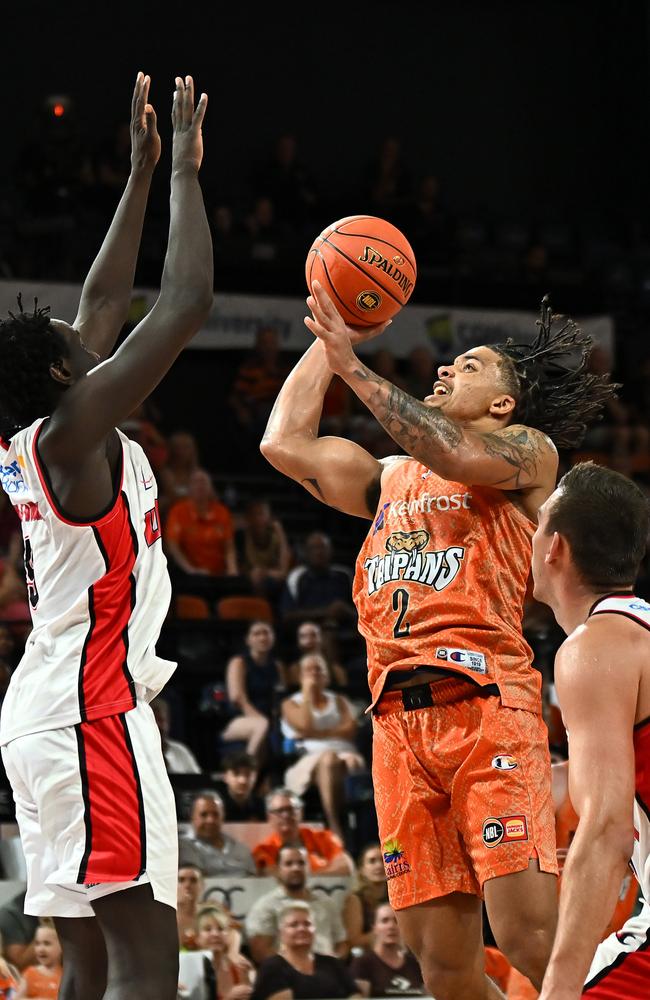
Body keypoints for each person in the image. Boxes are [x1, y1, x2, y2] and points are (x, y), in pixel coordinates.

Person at [261, 285, 616, 1000]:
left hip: (488, 708)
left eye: (472, 366)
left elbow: (452, 453)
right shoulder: (389, 477)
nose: (449, 370)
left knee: (529, 939)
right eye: (450, 362)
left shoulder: (528, 457)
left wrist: (355, 370)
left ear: (503, 405)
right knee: (446, 969)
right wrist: (334, 337)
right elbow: (284, 444)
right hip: (396, 725)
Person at [0, 72, 213, 1000]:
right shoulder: (73, 435)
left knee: (88, 967)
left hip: (53, 711)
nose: (89, 330)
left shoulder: (45, 432)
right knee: (144, 969)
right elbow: (185, 303)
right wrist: (187, 180)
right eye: (69, 337)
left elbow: (100, 300)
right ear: (61, 373)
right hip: (88, 715)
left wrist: (137, 171)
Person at [528, 462, 650, 1000]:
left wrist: (559, 988)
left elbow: (605, 830)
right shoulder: (636, 631)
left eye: (536, 526)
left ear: (555, 548)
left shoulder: (592, 649)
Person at [280, 653, 366, 839]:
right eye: (309, 670)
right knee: (329, 760)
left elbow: (350, 730)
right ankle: (337, 822)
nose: (314, 673)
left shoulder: (340, 700)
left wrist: (317, 734)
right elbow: (305, 725)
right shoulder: (290, 703)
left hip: (345, 752)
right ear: (300, 676)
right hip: (310, 756)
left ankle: (338, 823)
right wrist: (308, 696)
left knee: (340, 762)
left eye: (318, 668)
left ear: (326, 674)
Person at [245, 845, 348, 964]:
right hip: (287, 974)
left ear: (308, 868)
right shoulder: (265, 906)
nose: (296, 868)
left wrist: (333, 962)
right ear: (278, 870)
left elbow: (342, 944)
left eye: (301, 863)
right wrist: (298, 966)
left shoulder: (327, 903)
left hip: (328, 971)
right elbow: (260, 953)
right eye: (288, 864)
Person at [251, 901, 362, 1000]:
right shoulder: (272, 967)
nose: (302, 929)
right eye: (294, 925)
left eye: (307, 924)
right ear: (281, 932)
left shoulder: (333, 963)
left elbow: (355, 995)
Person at [220, 620, 287, 766]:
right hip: (240, 719)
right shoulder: (239, 662)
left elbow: (281, 697)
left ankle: (259, 782)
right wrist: (263, 720)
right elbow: (238, 698)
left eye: (266, 633)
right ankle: (245, 767)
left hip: (270, 721)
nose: (262, 637)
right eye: (257, 633)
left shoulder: (277, 666)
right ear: (248, 640)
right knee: (261, 725)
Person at [253, 788, 354, 876]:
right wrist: (324, 873)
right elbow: (274, 878)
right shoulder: (263, 851)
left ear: (301, 812)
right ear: (269, 817)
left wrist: (308, 878)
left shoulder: (323, 837)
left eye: (291, 809)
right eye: (280, 811)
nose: (286, 815)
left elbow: (346, 866)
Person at [165, 468, 238, 579]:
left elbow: (229, 547)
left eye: (204, 482)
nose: (200, 486)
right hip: (188, 575)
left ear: (211, 488)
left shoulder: (222, 512)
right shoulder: (178, 511)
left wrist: (232, 571)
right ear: (189, 488)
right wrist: (190, 570)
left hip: (219, 575)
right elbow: (173, 546)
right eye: (196, 482)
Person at [279, 532, 356, 631]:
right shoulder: (296, 577)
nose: (319, 552)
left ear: (331, 550)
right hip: (307, 632)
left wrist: (346, 610)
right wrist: (325, 612)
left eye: (323, 547)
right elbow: (287, 616)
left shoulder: (345, 576)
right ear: (306, 552)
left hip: (344, 630)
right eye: (314, 548)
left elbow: (365, 612)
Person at [178, 904, 253, 1000]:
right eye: (207, 929)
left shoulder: (237, 968)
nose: (215, 934)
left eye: (221, 929)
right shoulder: (190, 970)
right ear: (197, 937)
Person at [349, 903, 424, 997]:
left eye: (396, 921)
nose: (391, 926)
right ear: (374, 928)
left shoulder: (415, 964)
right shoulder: (362, 963)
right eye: (385, 921)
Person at [178, 792, 257, 877]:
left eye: (216, 815)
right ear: (192, 817)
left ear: (223, 817)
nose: (210, 820)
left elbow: (253, 879)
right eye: (204, 815)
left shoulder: (241, 849)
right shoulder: (183, 847)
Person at [238, 499, 291, 602]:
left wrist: (281, 534)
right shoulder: (241, 536)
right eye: (254, 514)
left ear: (269, 517)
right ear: (248, 518)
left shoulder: (276, 538)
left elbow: (283, 571)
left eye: (261, 514)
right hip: (247, 580)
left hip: (270, 579)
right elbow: (239, 569)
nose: (258, 518)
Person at [342, 844, 389, 954]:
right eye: (372, 861)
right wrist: (383, 932)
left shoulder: (397, 897)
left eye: (383, 860)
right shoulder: (355, 899)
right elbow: (353, 941)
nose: (379, 866)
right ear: (362, 869)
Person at [286, 621, 347, 692]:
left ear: (321, 638)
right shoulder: (294, 669)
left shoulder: (336, 669)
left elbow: (344, 693)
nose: (309, 640)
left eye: (313, 635)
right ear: (298, 641)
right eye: (303, 636)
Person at [152, 696, 202, 774]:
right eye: (154, 721)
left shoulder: (180, 751)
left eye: (161, 720)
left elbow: (198, 781)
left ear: (168, 722)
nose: (158, 725)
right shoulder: (138, 753)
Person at [215, 750, 266, 822]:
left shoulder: (263, 806)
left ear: (256, 777)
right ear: (225, 777)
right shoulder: (215, 806)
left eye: (248, 774)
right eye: (236, 774)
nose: (242, 780)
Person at [16, 922, 62, 999]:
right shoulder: (30, 973)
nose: (41, 949)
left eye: (47, 943)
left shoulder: (65, 976)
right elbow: (17, 998)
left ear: (61, 947)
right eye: (37, 943)